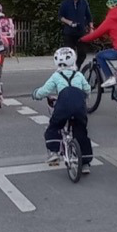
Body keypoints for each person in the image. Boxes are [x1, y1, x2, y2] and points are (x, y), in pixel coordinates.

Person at [32, 47, 94, 175]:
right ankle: (85, 163)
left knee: (54, 126)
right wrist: (86, 96)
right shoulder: (79, 75)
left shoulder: (56, 76)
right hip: (79, 106)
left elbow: (45, 90)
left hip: (64, 105)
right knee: (81, 132)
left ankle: (54, 152)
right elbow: (87, 89)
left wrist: (36, 94)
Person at [80, 0, 117, 89]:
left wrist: (82, 39)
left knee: (99, 56)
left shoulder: (111, 19)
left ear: (110, 7)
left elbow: (96, 33)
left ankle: (110, 77)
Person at [59, 0, 93, 67]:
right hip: (69, 33)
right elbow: (60, 16)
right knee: (69, 54)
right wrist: (69, 22)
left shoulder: (84, 2)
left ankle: (77, 67)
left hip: (81, 32)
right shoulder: (65, 3)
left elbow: (89, 16)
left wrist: (91, 28)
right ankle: (70, 69)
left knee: (82, 53)